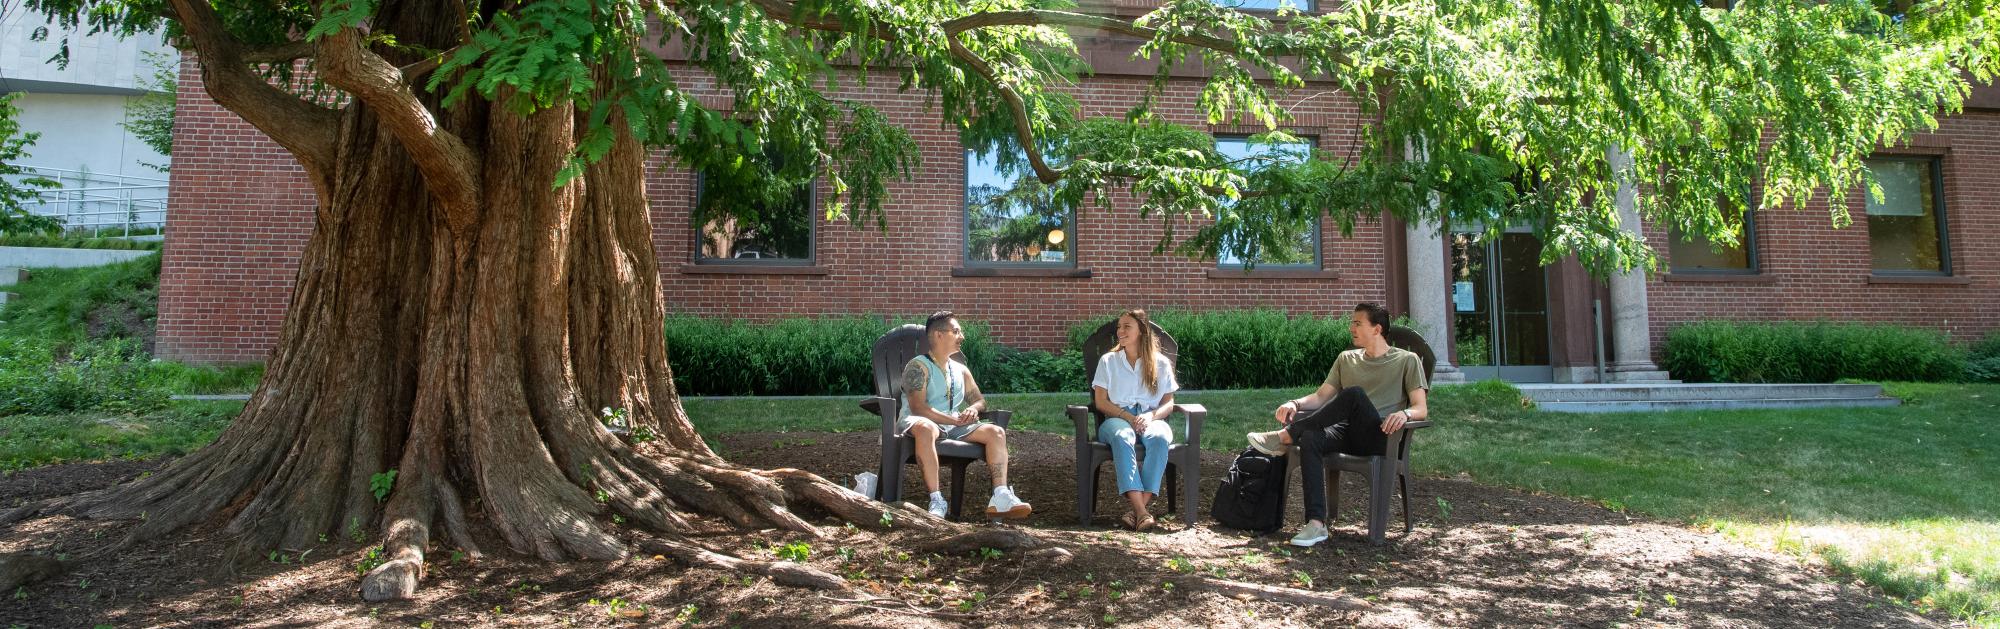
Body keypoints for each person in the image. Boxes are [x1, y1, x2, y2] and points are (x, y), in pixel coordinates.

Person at [1245, 303, 1428, 547]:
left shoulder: (1407, 360)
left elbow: (1421, 408)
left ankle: (1286, 435)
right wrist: (1294, 403)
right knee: (1310, 437)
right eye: (1352, 322)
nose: (1351, 327)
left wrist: (1405, 414)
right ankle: (1316, 524)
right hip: (1346, 432)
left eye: (1358, 323)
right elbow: (1321, 397)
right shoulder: (1346, 359)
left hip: (1382, 435)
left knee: (1354, 395)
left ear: (1377, 329)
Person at [899, 311, 1032, 520]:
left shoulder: (961, 370)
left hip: (954, 425)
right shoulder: (918, 366)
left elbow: (980, 400)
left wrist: (973, 409)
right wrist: (953, 419)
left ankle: (1001, 495)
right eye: (956, 331)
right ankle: (936, 500)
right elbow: (918, 408)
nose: (962, 336)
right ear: (938, 335)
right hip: (921, 422)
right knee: (926, 427)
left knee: (996, 432)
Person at [1090, 309, 1180, 531]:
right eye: (1119, 327)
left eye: (1127, 326)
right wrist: (1128, 417)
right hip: (1116, 417)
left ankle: (1139, 510)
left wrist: (1150, 416)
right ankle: (1142, 511)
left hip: (1151, 417)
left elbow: (1169, 403)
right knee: (1123, 436)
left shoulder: (1160, 363)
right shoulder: (1108, 361)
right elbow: (1100, 402)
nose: (1120, 331)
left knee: (1160, 437)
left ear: (1142, 331)